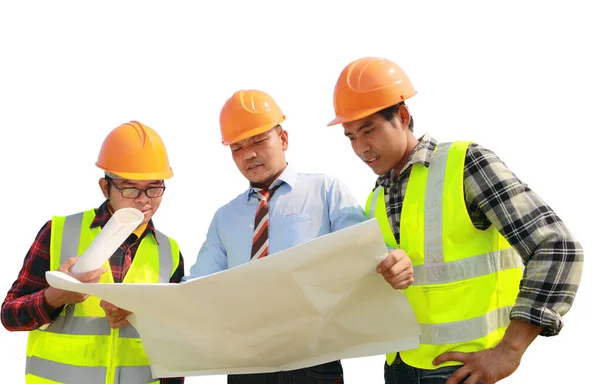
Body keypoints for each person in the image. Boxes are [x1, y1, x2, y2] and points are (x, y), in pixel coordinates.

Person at [327, 56, 584, 384]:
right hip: (398, 370)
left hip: (461, 369)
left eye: (368, 130)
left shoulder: (465, 165)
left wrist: (509, 351)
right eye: (350, 137)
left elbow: (558, 248)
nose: (362, 147)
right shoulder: (376, 197)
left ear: (402, 116)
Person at [184, 89, 413, 384]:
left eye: (258, 140)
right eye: (237, 148)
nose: (249, 154)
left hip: (314, 362)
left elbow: (368, 255)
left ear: (283, 139)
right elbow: (197, 287)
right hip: (246, 368)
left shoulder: (326, 191)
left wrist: (395, 261)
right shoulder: (224, 217)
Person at [1, 121, 186, 384]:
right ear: (104, 187)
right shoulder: (59, 232)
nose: (144, 199)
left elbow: (176, 344)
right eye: (130, 188)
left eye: (154, 187)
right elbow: (10, 316)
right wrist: (55, 297)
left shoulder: (170, 252)